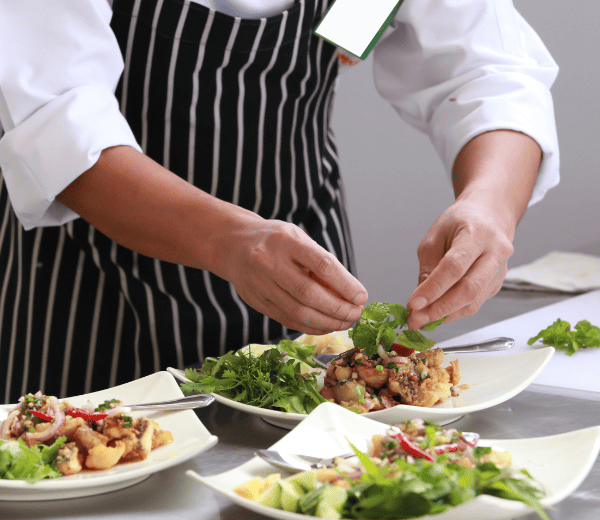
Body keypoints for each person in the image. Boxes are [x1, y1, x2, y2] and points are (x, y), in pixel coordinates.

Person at [0, 0, 559, 403]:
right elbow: (58, 124)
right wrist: (230, 241)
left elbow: (490, 70)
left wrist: (488, 207)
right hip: (96, 287)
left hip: (307, 255)